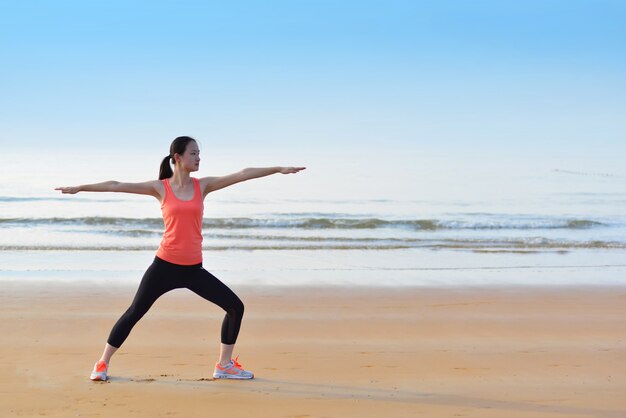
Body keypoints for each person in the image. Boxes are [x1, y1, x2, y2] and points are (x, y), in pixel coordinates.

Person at [55, 136, 305, 381]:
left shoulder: (202, 186)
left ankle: (224, 365)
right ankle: (102, 362)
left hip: (193, 269)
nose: (198, 158)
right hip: (164, 266)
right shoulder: (159, 187)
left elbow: (242, 173)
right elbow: (115, 184)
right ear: (178, 157)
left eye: (199, 153)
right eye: (193, 153)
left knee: (235, 307)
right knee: (134, 312)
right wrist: (80, 187)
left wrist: (277, 169)